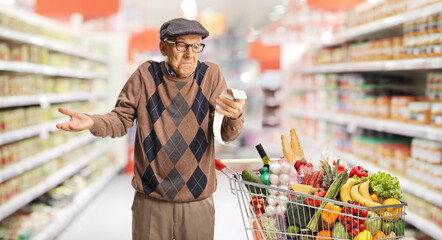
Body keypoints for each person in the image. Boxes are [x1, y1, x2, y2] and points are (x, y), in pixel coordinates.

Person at [56, 18, 245, 240]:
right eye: (181, 45)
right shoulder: (145, 76)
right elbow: (120, 119)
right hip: (151, 200)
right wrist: (92, 122)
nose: (190, 55)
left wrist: (235, 116)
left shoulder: (210, 75)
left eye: (196, 46)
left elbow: (225, 134)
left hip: (198, 201)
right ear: (163, 47)